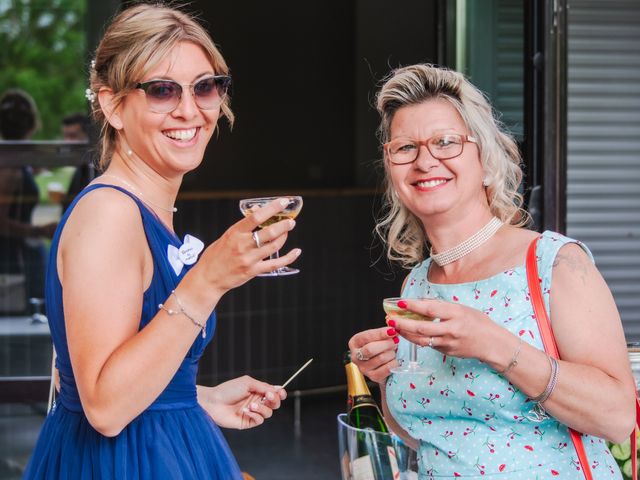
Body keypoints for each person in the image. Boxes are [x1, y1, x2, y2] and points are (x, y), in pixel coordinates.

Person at [24, 4, 301, 479]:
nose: (190, 110)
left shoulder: (144, 211)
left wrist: (196, 398)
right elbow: (104, 409)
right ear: (113, 105)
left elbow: (99, 366)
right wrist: (208, 279)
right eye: (161, 90)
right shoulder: (109, 214)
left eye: (205, 86)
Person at [348, 64, 636, 479]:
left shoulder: (553, 262)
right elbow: (422, 434)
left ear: (485, 159)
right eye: (405, 148)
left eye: (446, 143)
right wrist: (384, 378)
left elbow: (616, 418)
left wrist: (494, 345)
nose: (425, 161)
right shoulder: (418, 283)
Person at [0, 89, 57, 311]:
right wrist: (40, 231)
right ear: (33, 122)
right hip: (13, 257)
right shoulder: (11, 167)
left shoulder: (16, 161)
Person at [61, 112, 93, 211]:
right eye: (65, 136)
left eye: (73, 136)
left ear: (88, 137)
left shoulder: (92, 168)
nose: (67, 141)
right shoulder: (82, 167)